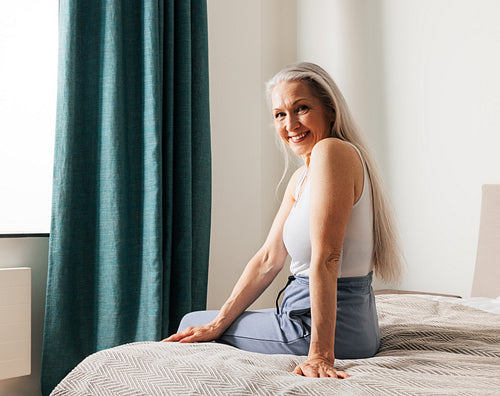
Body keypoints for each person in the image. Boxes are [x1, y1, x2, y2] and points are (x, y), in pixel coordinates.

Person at [163, 62, 402, 378]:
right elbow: (268, 259)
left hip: (324, 329)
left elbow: (327, 258)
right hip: (322, 321)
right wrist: (217, 323)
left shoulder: (332, 152)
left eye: (301, 109)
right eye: (279, 114)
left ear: (330, 110)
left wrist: (320, 355)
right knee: (201, 323)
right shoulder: (302, 176)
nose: (290, 123)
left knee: (189, 324)